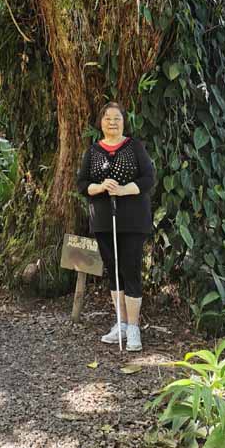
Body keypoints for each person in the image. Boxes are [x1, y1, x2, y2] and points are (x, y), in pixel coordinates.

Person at [76, 101, 156, 351]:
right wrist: (100, 187)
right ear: (100, 123)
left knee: (130, 270)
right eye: (108, 118)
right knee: (113, 270)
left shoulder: (135, 147)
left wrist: (122, 190)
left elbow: (148, 178)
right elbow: (82, 184)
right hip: (102, 220)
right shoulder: (93, 151)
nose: (112, 122)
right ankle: (120, 323)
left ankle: (133, 328)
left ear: (124, 122)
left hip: (132, 220)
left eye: (117, 118)